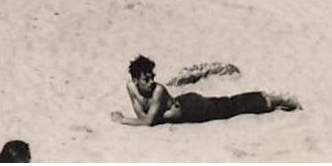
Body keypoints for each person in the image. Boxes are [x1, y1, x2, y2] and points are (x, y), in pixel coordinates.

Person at [112, 56, 299, 127]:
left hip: (192, 107)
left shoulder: (158, 91)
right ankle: (266, 98)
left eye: (152, 76)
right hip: (183, 107)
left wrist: (122, 120)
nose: (152, 81)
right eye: (146, 79)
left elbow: (147, 121)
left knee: (229, 106)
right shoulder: (130, 86)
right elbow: (142, 114)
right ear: (135, 80)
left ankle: (270, 99)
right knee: (227, 105)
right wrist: (163, 116)